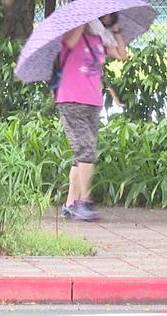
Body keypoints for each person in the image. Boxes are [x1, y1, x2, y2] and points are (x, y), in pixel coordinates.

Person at [56, 12, 128, 221]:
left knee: (82, 155)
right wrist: (84, 19)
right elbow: (70, 42)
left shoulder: (100, 39)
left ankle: (70, 203)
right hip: (71, 100)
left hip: (93, 101)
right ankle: (83, 202)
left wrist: (114, 29)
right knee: (86, 150)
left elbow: (122, 54)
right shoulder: (71, 36)